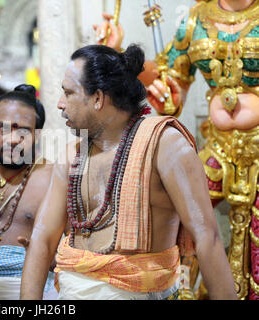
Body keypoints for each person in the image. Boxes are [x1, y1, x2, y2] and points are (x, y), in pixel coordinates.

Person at [20, 44, 237, 300]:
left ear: (98, 98)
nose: (59, 104)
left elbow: (207, 237)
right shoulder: (70, 156)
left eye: (68, 93)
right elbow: (42, 238)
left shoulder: (164, 145)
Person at [143, 0, 259, 300]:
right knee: (180, 214)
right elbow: (174, 83)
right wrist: (165, 98)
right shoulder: (195, 20)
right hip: (218, 148)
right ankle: (179, 291)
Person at [0, 84, 57, 300]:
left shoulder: (54, 179)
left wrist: (47, 255)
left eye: (23, 131)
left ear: (37, 135)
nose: (13, 139)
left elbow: (73, 251)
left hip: (35, 289)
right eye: (3, 129)